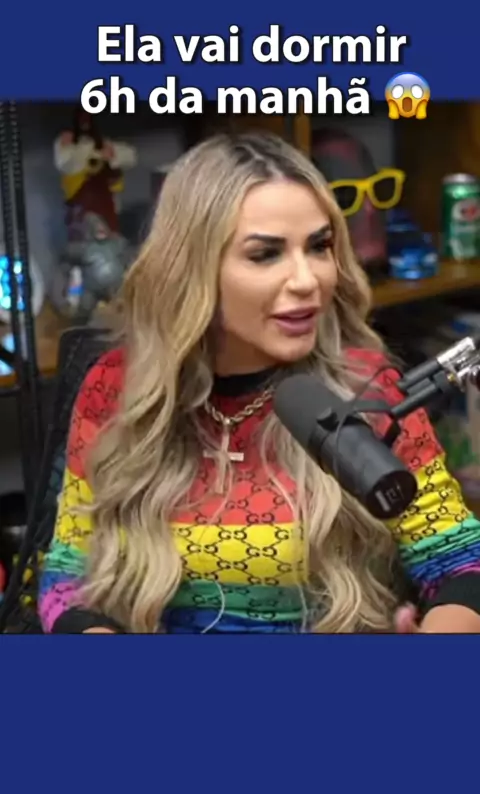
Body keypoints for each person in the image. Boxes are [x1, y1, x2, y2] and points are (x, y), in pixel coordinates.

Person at [38, 132, 480, 634]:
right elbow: (67, 578)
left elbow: (461, 563)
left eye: (319, 246)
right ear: (192, 269)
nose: (307, 280)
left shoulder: (370, 394)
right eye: (266, 254)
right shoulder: (117, 388)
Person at [53, 106, 137, 237]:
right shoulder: (67, 147)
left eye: (88, 119)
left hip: (106, 206)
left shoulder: (103, 144)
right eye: (82, 119)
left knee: (109, 235)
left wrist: (112, 155)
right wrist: (87, 153)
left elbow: (130, 156)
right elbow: (65, 164)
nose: (85, 124)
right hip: (80, 206)